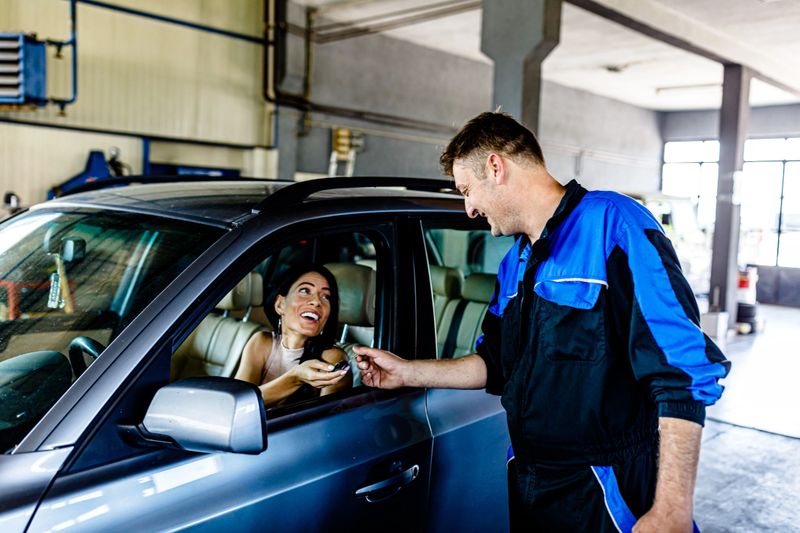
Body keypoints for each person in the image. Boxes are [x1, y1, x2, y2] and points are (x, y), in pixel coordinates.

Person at [355, 112, 730, 532]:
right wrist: (406, 372)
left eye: (467, 191)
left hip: (607, 489)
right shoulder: (515, 263)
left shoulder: (615, 225)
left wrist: (671, 510)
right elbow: (495, 366)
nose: (470, 209)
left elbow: (682, 373)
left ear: (495, 167)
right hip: (533, 481)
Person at [236, 264, 351, 407]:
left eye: (326, 297)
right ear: (280, 305)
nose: (316, 302)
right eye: (305, 290)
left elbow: (325, 422)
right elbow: (238, 405)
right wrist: (295, 378)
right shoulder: (260, 342)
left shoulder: (332, 359)